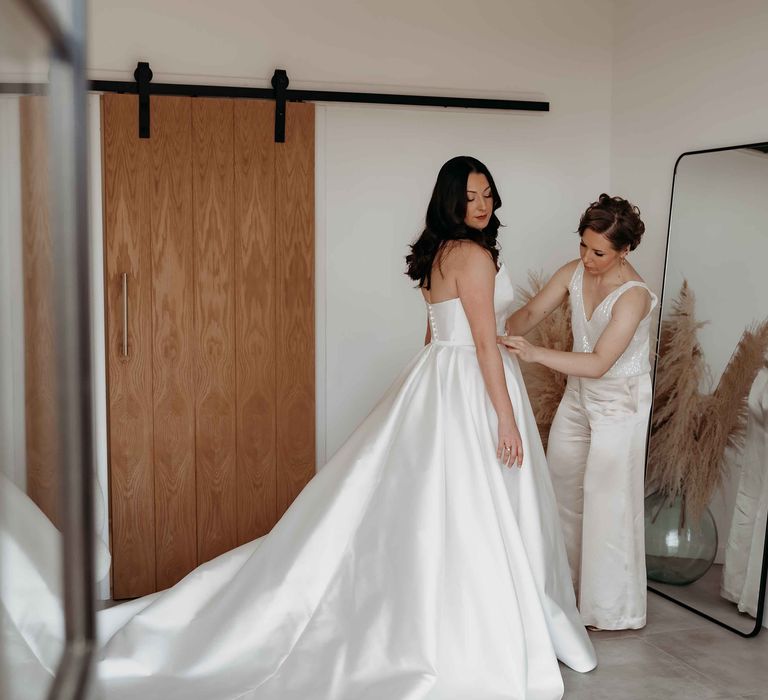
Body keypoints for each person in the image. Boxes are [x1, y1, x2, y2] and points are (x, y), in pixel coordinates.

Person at [96, 156, 596, 699]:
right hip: (473, 382)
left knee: (435, 503)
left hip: (439, 378)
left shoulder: (439, 254)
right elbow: (478, 343)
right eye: (471, 197)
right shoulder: (473, 256)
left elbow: (434, 336)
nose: (481, 205)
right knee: (476, 500)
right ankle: (478, 625)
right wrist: (504, 416)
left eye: (487, 194)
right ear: (450, 201)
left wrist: (423, 394)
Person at [500, 194, 657, 631]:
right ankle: (565, 594)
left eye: (599, 252)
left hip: (620, 402)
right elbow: (530, 313)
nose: (587, 258)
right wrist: (485, 335)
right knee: (562, 490)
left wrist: (534, 354)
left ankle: (610, 611)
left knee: (607, 503)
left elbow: (599, 363)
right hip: (578, 396)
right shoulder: (573, 272)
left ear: (625, 251)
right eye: (583, 246)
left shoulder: (634, 297)